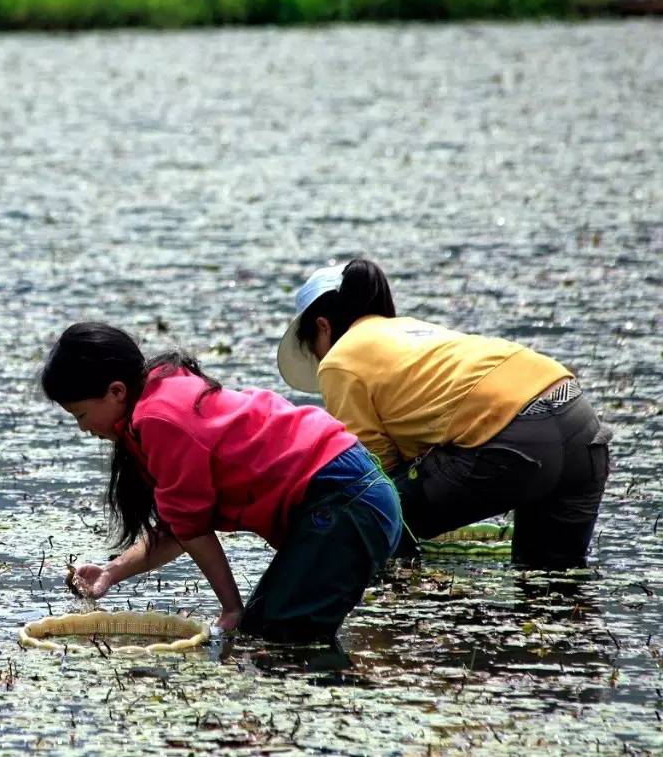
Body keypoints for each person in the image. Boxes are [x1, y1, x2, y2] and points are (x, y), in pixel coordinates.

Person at [41, 322, 401, 643]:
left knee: (278, 638)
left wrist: (230, 608)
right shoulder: (157, 394)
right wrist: (111, 571)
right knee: (268, 633)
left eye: (81, 415)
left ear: (116, 392)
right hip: (351, 491)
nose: (83, 428)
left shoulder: (160, 420)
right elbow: (179, 527)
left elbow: (192, 531)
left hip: (343, 495)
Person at [277, 258, 610, 569]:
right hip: (579, 422)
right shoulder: (412, 330)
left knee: (365, 513)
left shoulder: (340, 359)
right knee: (553, 583)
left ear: (322, 327)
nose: (321, 361)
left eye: (314, 350)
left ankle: (400, 613)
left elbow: (374, 475)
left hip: (516, 437)